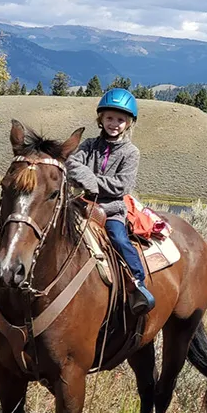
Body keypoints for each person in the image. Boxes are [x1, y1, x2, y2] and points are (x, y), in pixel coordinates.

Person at [66, 88, 155, 316]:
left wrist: (90, 181)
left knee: (119, 239)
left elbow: (122, 185)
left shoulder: (130, 152)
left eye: (120, 119)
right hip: (81, 204)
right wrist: (90, 183)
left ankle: (137, 284)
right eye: (109, 118)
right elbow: (72, 164)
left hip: (111, 210)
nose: (114, 123)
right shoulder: (89, 145)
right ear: (101, 119)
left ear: (128, 123)